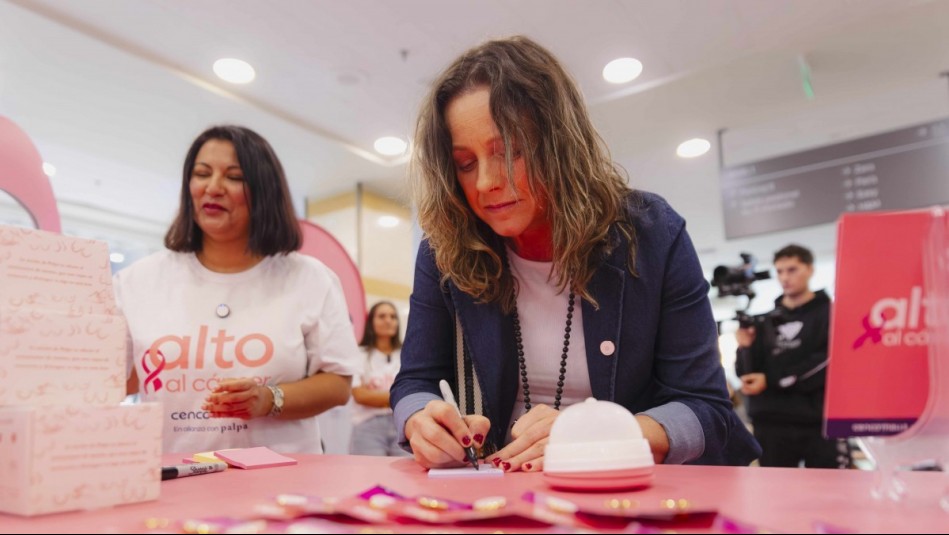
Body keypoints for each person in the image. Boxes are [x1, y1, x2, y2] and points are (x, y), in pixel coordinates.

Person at [390, 35, 760, 471]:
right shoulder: (445, 249)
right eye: (466, 163)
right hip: (495, 494)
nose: (487, 182)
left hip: (627, 496)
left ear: (559, 144)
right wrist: (419, 418)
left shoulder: (652, 234)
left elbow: (707, 410)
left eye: (509, 152)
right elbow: (415, 380)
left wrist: (602, 433)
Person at [116, 125, 360, 454]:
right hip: (175, 477)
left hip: (282, 482)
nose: (213, 188)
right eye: (202, 174)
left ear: (264, 190)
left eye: (234, 177)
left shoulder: (309, 278)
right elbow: (113, 380)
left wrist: (270, 399)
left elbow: (337, 384)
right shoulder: (138, 281)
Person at [735, 244, 850, 468]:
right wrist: (744, 348)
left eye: (792, 269)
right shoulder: (764, 320)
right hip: (771, 422)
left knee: (832, 494)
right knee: (775, 496)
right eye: (779, 271)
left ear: (809, 269)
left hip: (819, 421)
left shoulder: (832, 314)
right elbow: (746, 373)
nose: (785, 277)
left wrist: (773, 380)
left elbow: (829, 361)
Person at [349, 301, 412, 457]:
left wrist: (377, 396)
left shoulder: (408, 354)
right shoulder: (359, 354)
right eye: (382, 316)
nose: (388, 320)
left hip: (403, 425)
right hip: (368, 426)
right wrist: (399, 395)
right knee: (370, 478)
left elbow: (413, 392)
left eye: (392, 316)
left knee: (405, 479)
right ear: (371, 322)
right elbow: (360, 395)